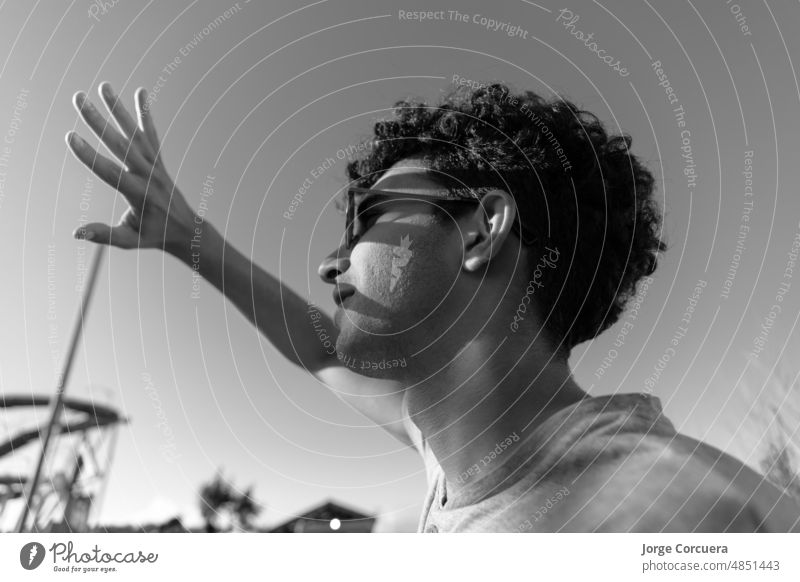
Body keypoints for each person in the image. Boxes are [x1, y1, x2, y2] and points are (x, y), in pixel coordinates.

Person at [66, 81, 800, 532]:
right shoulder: (454, 455)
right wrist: (190, 239)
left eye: (369, 221)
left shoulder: (693, 513)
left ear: (482, 229)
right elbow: (321, 350)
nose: (329, 262)